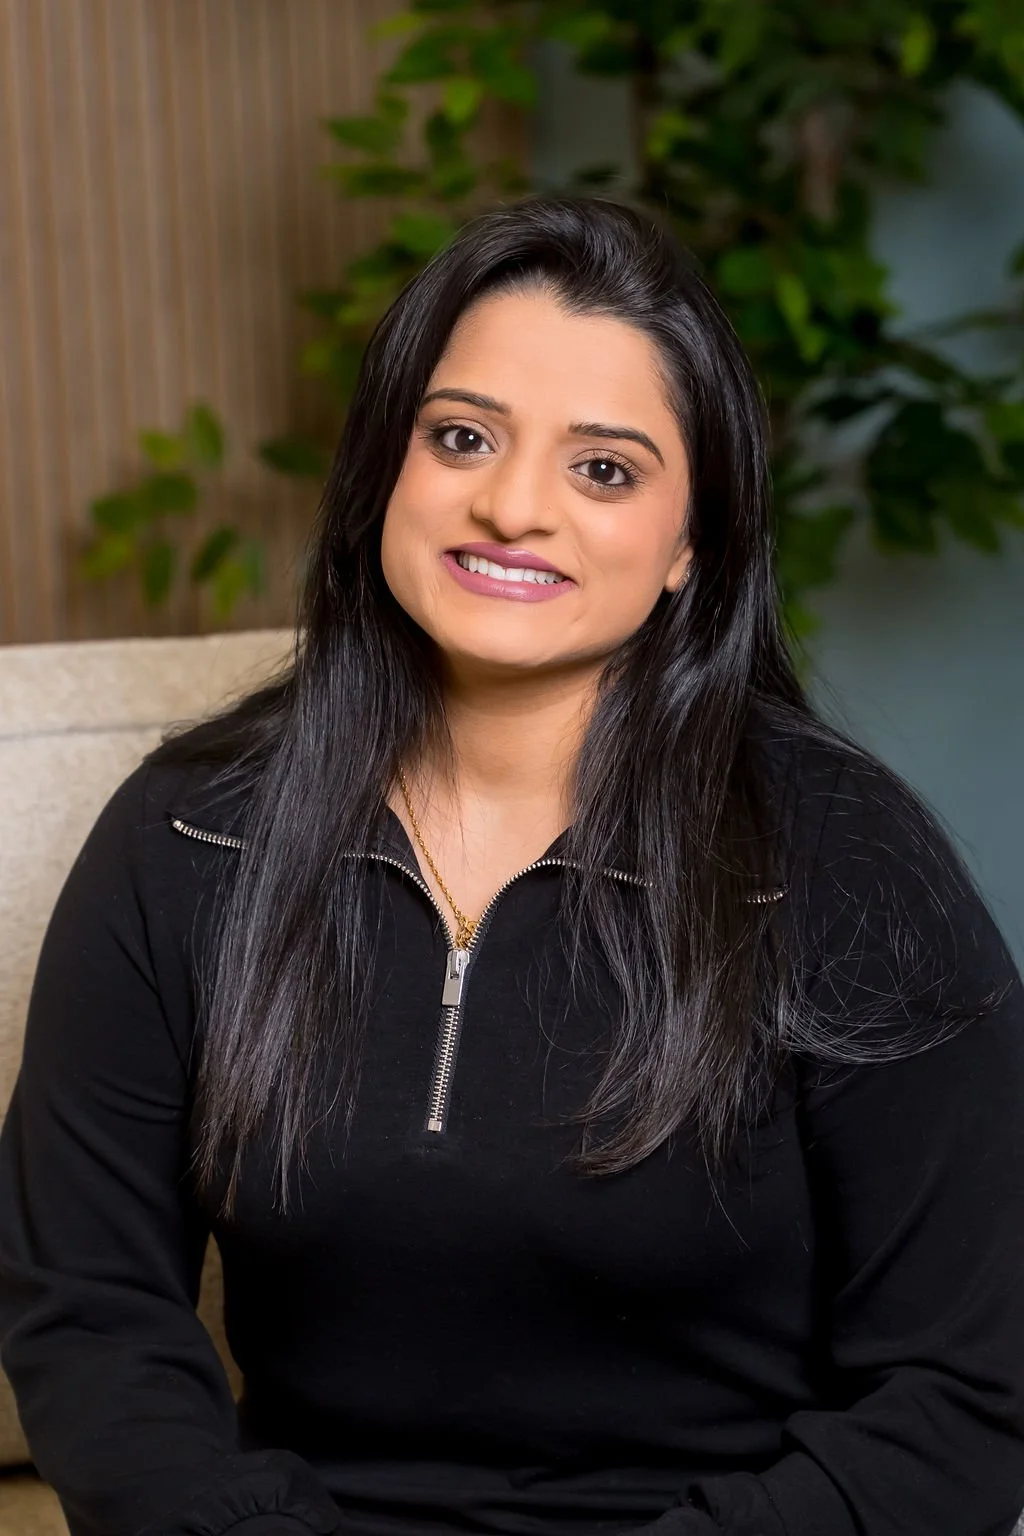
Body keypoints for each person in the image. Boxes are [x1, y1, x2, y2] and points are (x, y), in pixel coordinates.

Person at [0, 195, 1021, 1536]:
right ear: (385, 466)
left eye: (605, 469)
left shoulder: (848, 865)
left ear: (693, 544)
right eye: (463, 437)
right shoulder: (191, 833)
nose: (513, 506)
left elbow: (967, 1395)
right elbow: (89, 1310)